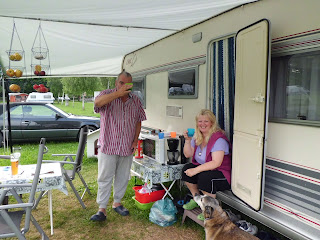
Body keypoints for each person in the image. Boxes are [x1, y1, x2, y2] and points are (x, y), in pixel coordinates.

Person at [90, 70, 146, 222]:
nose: (124, 86)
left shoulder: (135, 100)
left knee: (123, 176)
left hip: (127, 146)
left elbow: (138, 121)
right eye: (121, 83)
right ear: (116, 83)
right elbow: (97, 103)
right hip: (109, 144)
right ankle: (102, 209)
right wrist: (118, 93)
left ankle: (117, 203)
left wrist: (135, 141)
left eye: (127, 84)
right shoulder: (106, 95)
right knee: (105, 177)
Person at [181, 109, 231, 220]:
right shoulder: (197, 137)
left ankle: (209, 210)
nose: (202, 124)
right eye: (200, 121)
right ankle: (197, 200)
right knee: (186, 169)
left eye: (206, 121)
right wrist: (188, 141)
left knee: (205, 177)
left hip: (222, 173)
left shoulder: (218, 139)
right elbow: (187, 154)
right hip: (207, 169)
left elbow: (216, 163)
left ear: (212, 123)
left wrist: (196, 170)